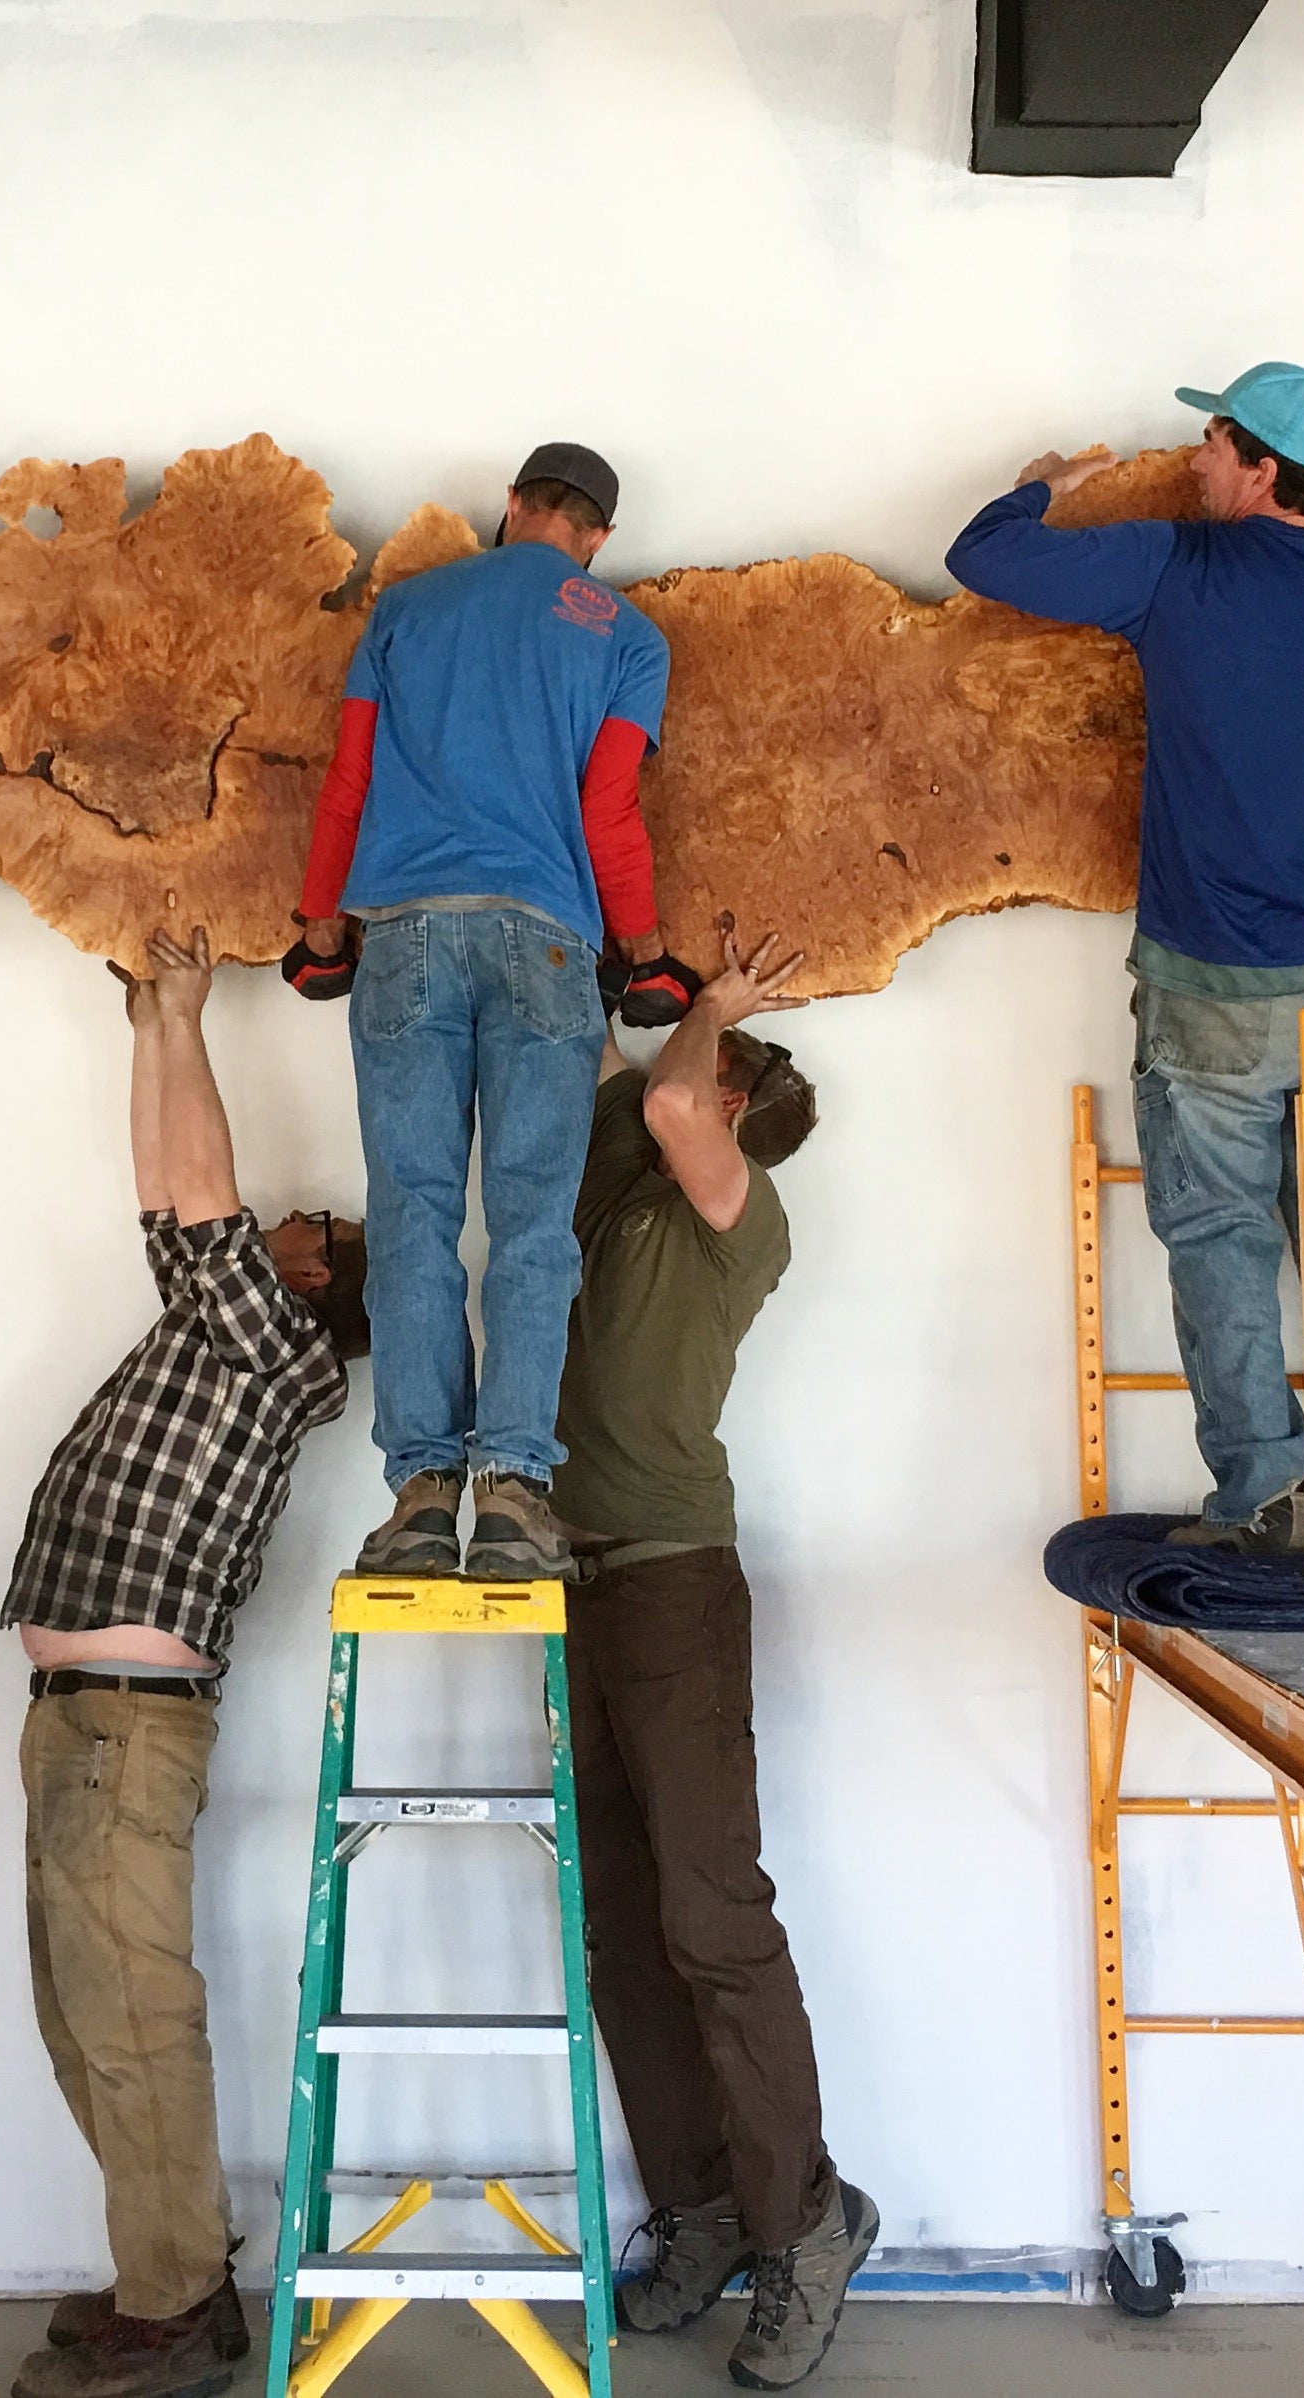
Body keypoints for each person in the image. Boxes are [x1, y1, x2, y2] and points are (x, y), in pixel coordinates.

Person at [947, 363, 1304, 1557]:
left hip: (1207, 993)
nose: (1194, 460)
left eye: (1210, 442)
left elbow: (980, 558)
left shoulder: (1178, 568)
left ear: (1256, 465)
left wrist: (1038, 487)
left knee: (1220, 1244)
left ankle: (1267, 1495)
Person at [0, 928, 365, 2398]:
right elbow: (166, 1190)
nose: (283, 1213)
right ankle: (175, 2272)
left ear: (316, 1287)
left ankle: (174, 2304)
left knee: (134, 2017)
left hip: (125, 1729)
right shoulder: (218, 1325)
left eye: (308, 1225)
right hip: (77, 1724)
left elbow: (202, 1197)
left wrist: (197, 1013)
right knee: (80, 2014)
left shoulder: (278, 1352)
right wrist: (150, 1022)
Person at [558, 927, 878, 2391]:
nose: (680, 1063)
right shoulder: (622, 1187)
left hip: (677, 1582)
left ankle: (805, 2220)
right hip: (570, 1581)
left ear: (740, 1107)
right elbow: (629, 1076)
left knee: (711, 1917)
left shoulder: (738, 1215)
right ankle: (696, 2207)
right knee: (621, 1926)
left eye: (714, 1063)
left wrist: (725, 1009)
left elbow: (679, 1097)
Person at [285, 440, 687, 1584]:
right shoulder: (626, 636)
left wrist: (322, 929)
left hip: (404, 936)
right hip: (547, 944)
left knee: (408, 1214)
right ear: (597, 535)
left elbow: (348, 781)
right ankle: (512, 1490)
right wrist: (649, 958)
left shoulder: (407, 608)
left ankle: (420, 1492)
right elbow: (608, 810)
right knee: (531, 1224)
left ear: (510, 508)